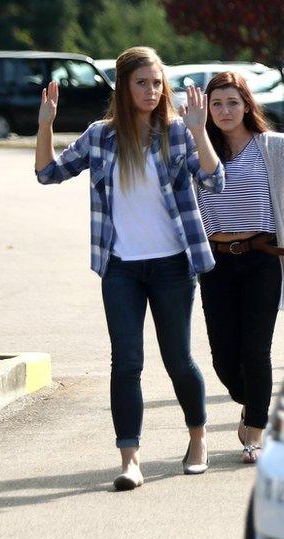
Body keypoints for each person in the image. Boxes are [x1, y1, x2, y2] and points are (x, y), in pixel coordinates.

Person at [34, 46, 223, 491]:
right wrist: (45, 123)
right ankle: (130, 459)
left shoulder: (177, 133)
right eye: (142, 83)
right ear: (123, 86)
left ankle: (197, 440)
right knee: (126, 363)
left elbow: (214, 180)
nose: (152, 91)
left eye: (157, 83)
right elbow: (47, 173)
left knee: (179, 360)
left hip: (173, 266)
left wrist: (200, 133)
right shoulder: (100, 136)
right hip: (120, 267)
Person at [199, 69, 284, 464]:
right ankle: (251, 402)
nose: (225, 111)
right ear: (207, 108)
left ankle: (255, 431)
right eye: (217, 103)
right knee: (224, 358)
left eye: (233, 102)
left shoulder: (270, 146)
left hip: (263, 259)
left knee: (256, 350)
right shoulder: (198, 148)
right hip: (215, 262)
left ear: (247, 105)